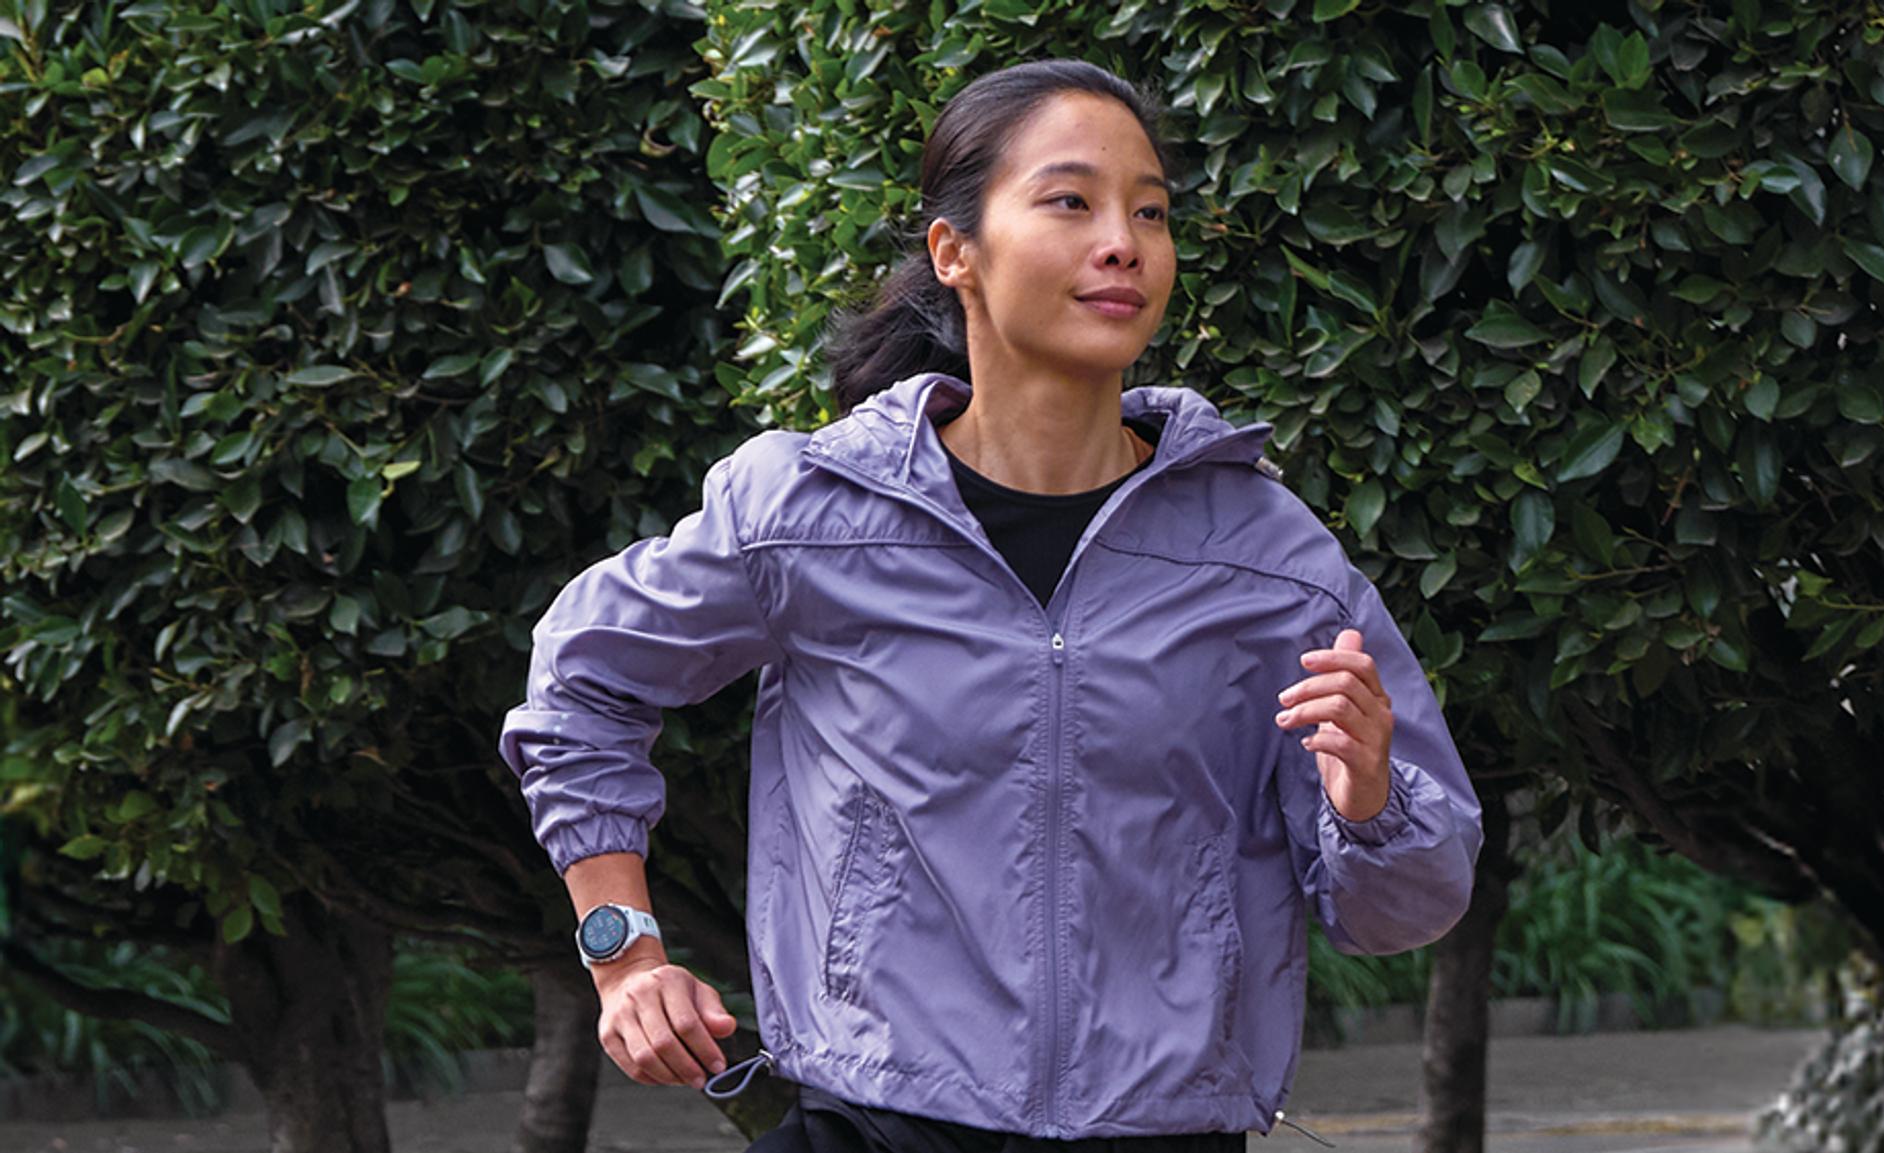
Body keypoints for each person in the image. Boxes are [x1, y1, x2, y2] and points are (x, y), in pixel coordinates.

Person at [498, 58, 1483, 1153]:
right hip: (874, 1123)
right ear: (953, 251)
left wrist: (1369, 801)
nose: (1122, 242)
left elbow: (1405, 910)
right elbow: (584, 677)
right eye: (1070, 202)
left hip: (1162, 1131)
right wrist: (624, 948)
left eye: (1149, 212)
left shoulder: (1265, 560)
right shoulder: (814, 514)